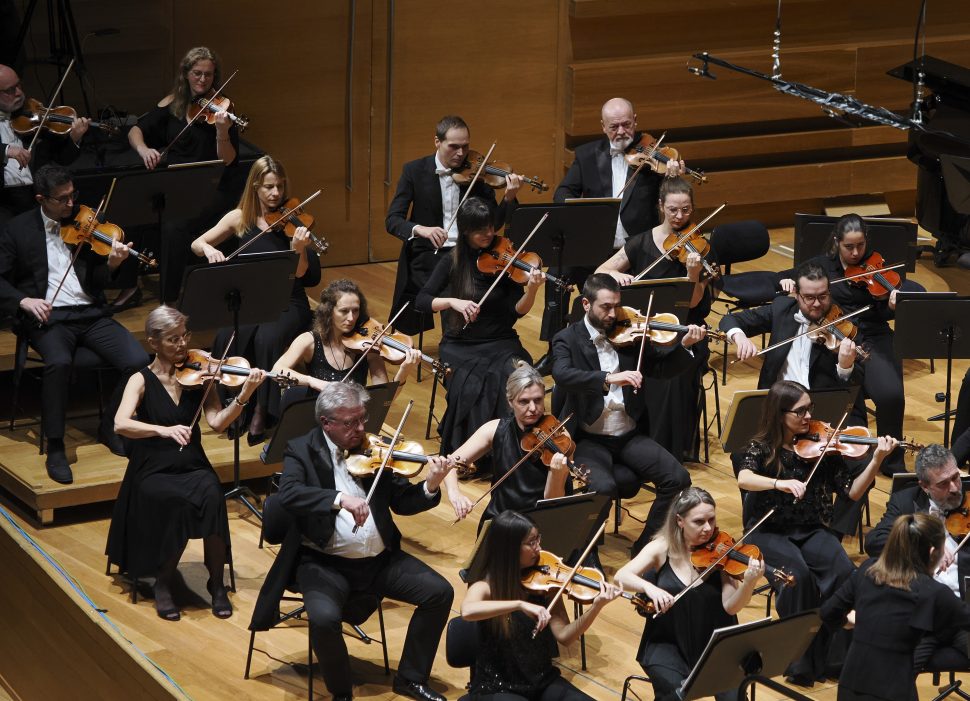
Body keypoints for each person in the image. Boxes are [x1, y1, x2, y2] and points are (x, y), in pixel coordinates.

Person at [249, 382, 454, 701]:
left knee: (440, 593)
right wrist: (339, 498)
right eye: (351, 423)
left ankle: (411, 678)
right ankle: (341, 692)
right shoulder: (302, 449)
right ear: (326, 422)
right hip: (323, 564)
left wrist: (430, 484)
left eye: (362, 419)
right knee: (324, 618)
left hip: (380, 562)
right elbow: (288, 494)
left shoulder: (375, 450)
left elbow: (402, 501)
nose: (361, 429)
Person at [105, 306, 264, 621]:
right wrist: (162, 429)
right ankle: (163, 583)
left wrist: (244, 395)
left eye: (184, 336)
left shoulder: (199, 377)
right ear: (154, 342)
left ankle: (217, 584)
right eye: (172, 339)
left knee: (213, 496)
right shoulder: (140, 379)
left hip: (192, 464)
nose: (182, 345)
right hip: (152, 467)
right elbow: (120, 424)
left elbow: (218, 422)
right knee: (176, 502)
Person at [736, 380, 896, 686]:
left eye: (810, 408)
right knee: (798, 578)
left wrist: (876, 459)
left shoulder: (823, 449)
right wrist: (778, 483)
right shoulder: (762, 448)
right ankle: (800, 664)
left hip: (810, 529)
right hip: (769, 532)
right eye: (800, 411)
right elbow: (744, 478)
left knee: (844, 573)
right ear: (779, 414)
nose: (809, 416)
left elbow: (852, 493)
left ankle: (836, 661)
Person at [0, 164, 149, 483]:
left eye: (73, 195)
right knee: (58, 362)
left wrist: (113, 264)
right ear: (42, 198)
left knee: (138, 361)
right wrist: (24, 301)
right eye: (63, 199)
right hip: (49, 319)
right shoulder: (17, 229)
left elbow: (98, 278)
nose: (72, 205)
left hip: (90, 314)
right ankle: (55, 445)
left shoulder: (85, 225)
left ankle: (110, 425)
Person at [551, 273, 703, 554]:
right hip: (588, 438)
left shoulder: (630, 334)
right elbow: (562, 374)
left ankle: (646, 546)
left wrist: (684, 347)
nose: (613, 314)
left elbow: (661, 369)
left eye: (616, 306)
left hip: (629, 434)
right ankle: (587, 555)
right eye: (605, 307)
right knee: (603, 488)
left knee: (677, 478)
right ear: (586, 304)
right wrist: (609, 378)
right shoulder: (567, 339)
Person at [191, 155, 321, 444]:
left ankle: (264, 408)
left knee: (267, 339)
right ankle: (236, 403)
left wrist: (298, 247)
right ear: (255, 187)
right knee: (227, 335)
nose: (275, 193)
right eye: (268, 187)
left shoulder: (294, 221)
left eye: (279, 187)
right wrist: (209, 250)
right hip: (251, 303)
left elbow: (301, 274)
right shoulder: (240, 218)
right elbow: (197, 243)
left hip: (288, 302)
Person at [539, 97, 684, 355]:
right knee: (556, 276)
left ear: (635, 121)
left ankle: (640, 344)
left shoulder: (655, 159)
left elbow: (671, 202)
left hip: (634, 250)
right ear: (603, 126)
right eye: (614, 126)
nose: (621, 132)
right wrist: (583, 215)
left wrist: (672, 177)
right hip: (595, 246)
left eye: (626, 125)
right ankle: (556, 349)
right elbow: (563, 192)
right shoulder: (586, 155)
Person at [778, 214, 919, 472]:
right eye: (849, 247)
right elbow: (786, 278)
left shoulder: (878, 267)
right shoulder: (822, 266)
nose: (856, 253)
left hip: (872, 337)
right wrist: (784, 281)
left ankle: (891, 459)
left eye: (861, 245)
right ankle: (841, 455)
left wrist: (892, 306)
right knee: (838, 394)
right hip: (831, 336)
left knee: (891, 396)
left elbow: (886, 314)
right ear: (837, 242)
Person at [595, 176, 717, 461]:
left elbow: (694, 302)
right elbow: (600, 273)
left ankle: (667, 451)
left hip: (684, 331)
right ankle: (630, 441)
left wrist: (693, 274)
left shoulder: (699, 248)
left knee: (674, 371)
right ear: (661, 206)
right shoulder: (640, 242)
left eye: (686, 210)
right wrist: (619, 275)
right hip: (643, 330)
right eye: (673, 209)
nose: (679, 216)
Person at [415, 196, 540, 458]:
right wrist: (453, 302)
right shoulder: (453, 261)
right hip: (461, 345)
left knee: (518, 376)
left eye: (491, 227)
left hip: (501, 340)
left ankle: (515, 451)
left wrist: (531, 290)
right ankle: (478, 454)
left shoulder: (504, 261)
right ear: (466, 231)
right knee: (474, 384)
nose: (489, 233)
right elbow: (422, 300)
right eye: (480, 229)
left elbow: (516, 311)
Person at [616, 487, 763, 701]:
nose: (708, 528)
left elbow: (731, 606)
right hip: (668, 644)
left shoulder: (723, 552)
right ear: (680, 520)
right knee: (675, 696)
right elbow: (621, 577)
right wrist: (650, 588)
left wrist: (749, 583)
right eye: (699, 522)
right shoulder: (661, 548)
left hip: (715, 647)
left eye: (711, 520)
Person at [460, 509, 622, 700]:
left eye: (538, 539)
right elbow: (467, 611)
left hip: (541, 681)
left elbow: (565, 636)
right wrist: (519, 604)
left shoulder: (545, 585)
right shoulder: (486, 587)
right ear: (509, 548)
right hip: (498, 687)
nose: (539, 548)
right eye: (531, 543)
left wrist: (596, 607)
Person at [386, 114, 521, 335]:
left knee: (474, 308)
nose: (461, 154)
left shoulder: (478, 175)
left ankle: (467, 341)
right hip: (428, 255)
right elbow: (393, 220)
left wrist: (508, 198)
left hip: (467, 254)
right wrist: (421, 229)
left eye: (465, 146)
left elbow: (493, 225)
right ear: (437, 142)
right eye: (453, 147)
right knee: (433, 303)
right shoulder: (414, 171)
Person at [128, 46, 242, 304]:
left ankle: (168, 300)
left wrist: (222, 132)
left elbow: (229, 160)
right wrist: (144, 149)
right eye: (197, 73)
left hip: (214, 187)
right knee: (132, 211)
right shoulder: (172, 103)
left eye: (209, 75)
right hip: (178, 186)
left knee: (173, 225)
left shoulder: (222, 110)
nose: (203, 80)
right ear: (186, 74)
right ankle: (128, 287)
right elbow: (135, 130)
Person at [821, 513, 970, 701]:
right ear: (933, 553)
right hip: (894, 691)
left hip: (850, 685)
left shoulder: (868, 569)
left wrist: (851, 621)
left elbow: (828, 613)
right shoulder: (934, 592)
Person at [720, 260, 867, 426]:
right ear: (797, 294)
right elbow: (730, 319)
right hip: (779, 408)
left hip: (819, 413)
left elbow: (858, 384)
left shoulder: (844, 323)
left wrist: (845, 367)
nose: (817, 304)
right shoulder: (781, 309)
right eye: (810, 298)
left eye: (823, 296)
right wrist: (740, 337)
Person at [444, 361, 571, 526]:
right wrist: (455, 494)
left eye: (538, 400)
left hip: (540, 522)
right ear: (510, 402)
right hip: (501, 520)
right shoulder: (494, 430)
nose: (533, 408)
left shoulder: (560, 437)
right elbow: (448, 465)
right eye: (524, 401)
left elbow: (552, 502)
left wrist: (557, 474)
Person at [0, 63, 89, 225]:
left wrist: (74, 138)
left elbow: (62, 157)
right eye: (10, 90)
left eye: (18, 85)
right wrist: (6, 150)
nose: (19, 93)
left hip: (36, 196)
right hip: (3, 202)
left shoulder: (33, 117)